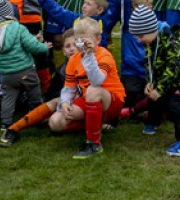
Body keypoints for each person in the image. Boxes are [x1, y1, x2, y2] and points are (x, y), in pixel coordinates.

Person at [122, 6, 180, 156]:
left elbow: (173, 68)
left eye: (140, 35)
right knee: (154, 100)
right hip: (161, 79)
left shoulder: (171, 41)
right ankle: (153, 121)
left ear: (150, 29)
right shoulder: (150, 41)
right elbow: (149, 62)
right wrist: (149, 82)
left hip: (179, 81)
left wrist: (160, 89)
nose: (138, 39)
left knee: (176, 107)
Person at [51, 18, 128, 158]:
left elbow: (96, 81)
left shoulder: (104, 55)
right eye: (79, 40)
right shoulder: (73, 60)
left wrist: (89, 56)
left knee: (93, 90)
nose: (82, 43)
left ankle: (94, 143)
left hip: (112, 99)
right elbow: (69, 88)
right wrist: (65, 103)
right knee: (56, 122)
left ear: (98, 39)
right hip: (89, 100)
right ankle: (97, 123)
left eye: (86, 39)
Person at [0, 0, 52, 137]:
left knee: (8, 97)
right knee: (35, 93)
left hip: (6, 74)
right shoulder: (17, 27)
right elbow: (33, 46)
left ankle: (6, 123)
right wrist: (44, 47)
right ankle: (38, 118)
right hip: (25, 71)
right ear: (9, 11)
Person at [0, 30, 80, 147]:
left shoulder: (92, 62)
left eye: (76, 44)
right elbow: (52, 93)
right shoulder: (61, 71)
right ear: (63, 51)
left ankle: (97, 123)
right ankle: (13, 129)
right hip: (72, 107)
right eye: (67, 46)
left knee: (59, 104)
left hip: (89, 104)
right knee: (54, 122)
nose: (72, 49)